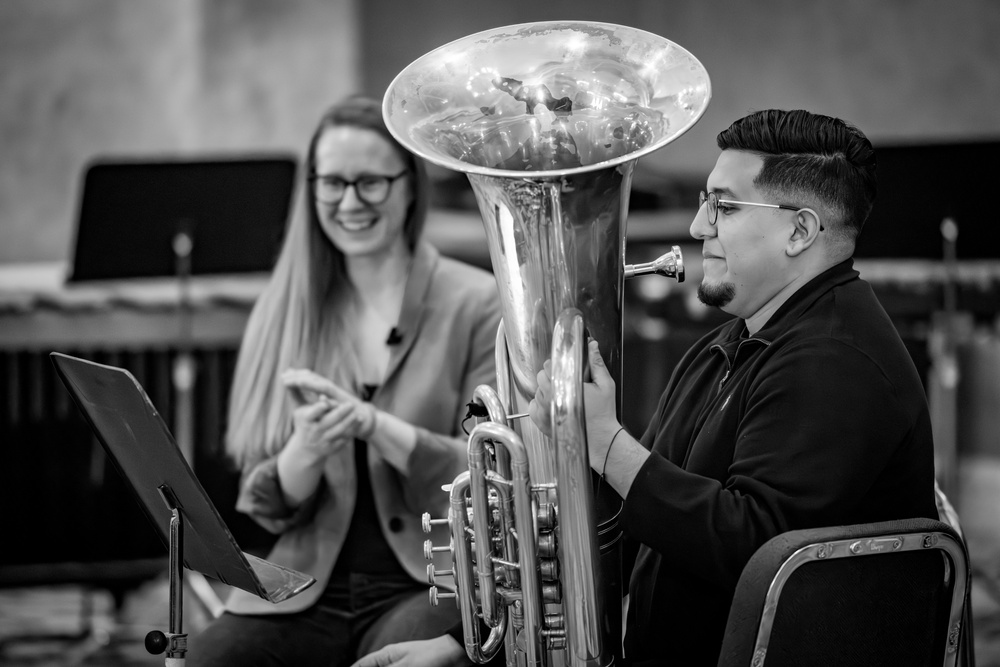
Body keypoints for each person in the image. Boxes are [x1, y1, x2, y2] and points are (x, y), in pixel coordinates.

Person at [356, 109, 939, 667]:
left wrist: (607, 444)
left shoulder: (835, 361)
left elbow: (757, 549)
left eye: (724, 206)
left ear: (800, 230)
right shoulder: (730, 345)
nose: (696, 226)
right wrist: (468, 643)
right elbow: (631, 521)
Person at [186, 95, 502, 667]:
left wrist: (375, 426)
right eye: (331, 183)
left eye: (370, 183)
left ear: (410, 185)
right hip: (301, 586)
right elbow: (262, 503)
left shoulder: (476, 301)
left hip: (431, 580)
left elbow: (490, 478)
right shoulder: (285, 307)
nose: (349, 202)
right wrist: (304, 455)